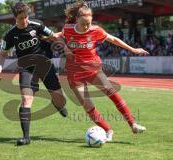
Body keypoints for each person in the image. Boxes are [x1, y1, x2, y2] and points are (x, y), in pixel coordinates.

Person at [59, 1, 148, 142]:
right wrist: (62, 45)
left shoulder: (96, 30)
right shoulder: (68, 29)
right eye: (84, 23)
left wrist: (132, 49)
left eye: (89, 23)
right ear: (77, 19)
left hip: (93, 69)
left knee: (111, 92)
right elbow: (58, 36)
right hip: (74, 73)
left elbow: (113, 39)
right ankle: (108, 130)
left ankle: (133, 124)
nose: (87, 26)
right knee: (87, 105)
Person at [0, 2, 68, 146]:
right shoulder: (10, 35)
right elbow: (2, 53)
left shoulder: (37, 25)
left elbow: (53, 36)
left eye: (26, 17)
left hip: (45, 64)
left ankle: (57, 104)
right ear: (15, 18)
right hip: (26, 69)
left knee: (61, 101)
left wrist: (65, 50)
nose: (25, 20)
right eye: (21, 18)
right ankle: (26, 137)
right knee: (26, 100)